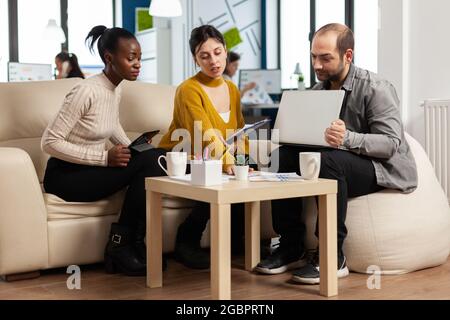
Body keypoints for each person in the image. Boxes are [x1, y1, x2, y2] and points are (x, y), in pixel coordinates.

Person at [255, 23, 418, 284]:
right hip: (340, 161)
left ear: (348, 56)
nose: (317, 65)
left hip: (381, 167)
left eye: (325, 58)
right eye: (313, 57)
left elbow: (390, 144)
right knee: (282, 156)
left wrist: (347, 138)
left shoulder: (376, 88)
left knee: (328, 160)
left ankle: (332, 256)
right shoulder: (318, 91)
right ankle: (291, 245)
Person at [41, 25, 166, 276]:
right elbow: (49, 142)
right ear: (109, 58)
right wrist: (103, 157)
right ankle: (121, 247)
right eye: (131, 58)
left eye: (139, 58)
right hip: (66, 176)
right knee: (151, 160)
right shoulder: (86, 90)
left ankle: (131, 243)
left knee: (155, 156)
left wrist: (134, 147)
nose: (137, 64)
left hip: (90, 171)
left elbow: (110, 124)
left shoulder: (115, 87)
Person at [158, 25, 252, 269]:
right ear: (195, 59)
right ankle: (186, 241)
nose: (214, 61)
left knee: (244, 172)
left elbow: (239, 131)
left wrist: (241, 163)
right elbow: (204, 132)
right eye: (204, 56)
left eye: (218, 52)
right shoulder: (188, 89)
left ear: (226, 52)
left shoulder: (232, 89)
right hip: (185, 155)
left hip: (217, 157)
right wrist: (229, 163)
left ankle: (237, 240)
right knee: (214, 173)